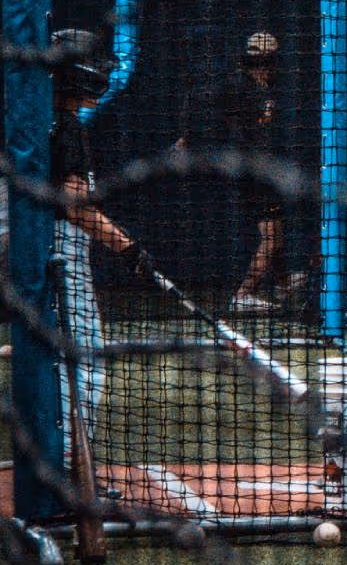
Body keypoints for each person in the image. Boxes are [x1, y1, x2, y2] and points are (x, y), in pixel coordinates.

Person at [48, 29, 153, 457]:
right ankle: (72, 464)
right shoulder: (67, 128)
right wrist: (129, 249)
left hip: (44, 249)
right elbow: (75, 207)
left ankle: (58, 459)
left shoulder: (45, 120)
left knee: (57, 356)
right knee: (85, 358)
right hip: (62, 251)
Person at [174, 31, 289, 313]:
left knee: (276, 232)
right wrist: (186, 139)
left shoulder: (262, 86)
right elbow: (200, 100)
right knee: (272, 236)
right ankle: (244, 294)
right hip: (253, 171)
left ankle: (283, 281)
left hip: (261, 169)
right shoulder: (238, 84)